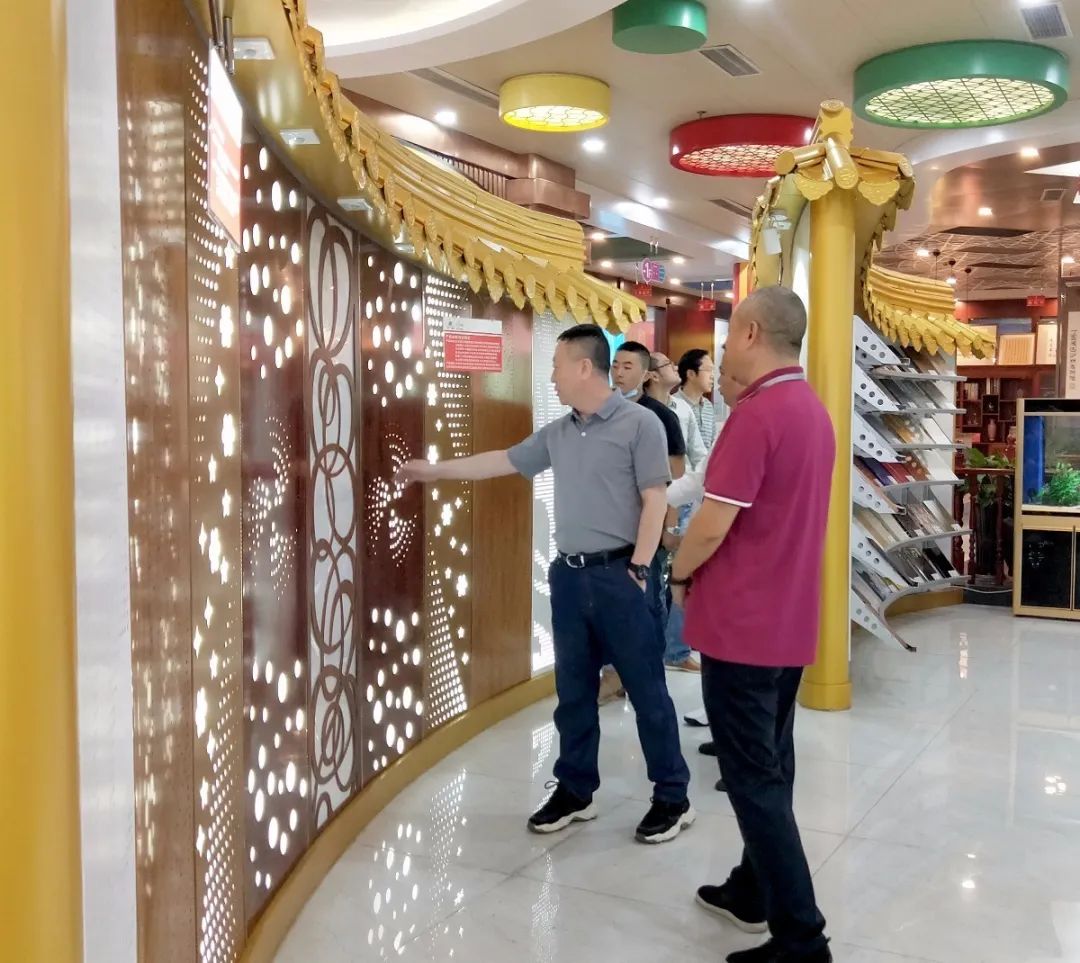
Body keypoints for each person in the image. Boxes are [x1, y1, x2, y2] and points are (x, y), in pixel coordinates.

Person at [397, 323, 694, 844]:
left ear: (584, 367)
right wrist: (434, 471)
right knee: (573, 691)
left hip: (622, 575)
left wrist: (640, 567)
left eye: (557, 366)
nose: (552, 377)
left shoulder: (640, 423)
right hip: (570, 578)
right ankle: (576, 790)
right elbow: (503, 460)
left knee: (648, 692)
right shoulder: (560, 432)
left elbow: (655, 498)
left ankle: (672, 796)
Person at [670, 286, 834, 963]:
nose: (724, 345)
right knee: (773, 762)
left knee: (752, 778)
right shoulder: (813, 411)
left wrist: (677, 573)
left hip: (743, 626)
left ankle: (801, 938)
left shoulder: (758, 414)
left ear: (752, 333)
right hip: (786, 621)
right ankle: (753, 886)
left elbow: (712, 523)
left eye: (730, 331)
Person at [610, 340, 686, 670]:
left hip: (647, 525)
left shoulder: (661, 417)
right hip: (610, 527)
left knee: (649, 598)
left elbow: (677, 476)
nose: (619, 373)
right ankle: (614, 672)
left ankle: (650, 670)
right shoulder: (601, 411)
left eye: (628, 367)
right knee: (611, 602)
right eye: (615, 365)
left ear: (645, 375)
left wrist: (670, 525)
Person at [648, 351, 707, 472]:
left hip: (684, 479)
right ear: (654, 376)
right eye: (668, 364)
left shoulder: (682, 407)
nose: (676, 368)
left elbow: (699, 454)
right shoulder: (639, 411)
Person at [677, 348, 719, 449]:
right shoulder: (673, 404)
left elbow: (712, 444)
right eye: (708, 370)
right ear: (691, 374)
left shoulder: (708, 406)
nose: (712, 376)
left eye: (713, 371)